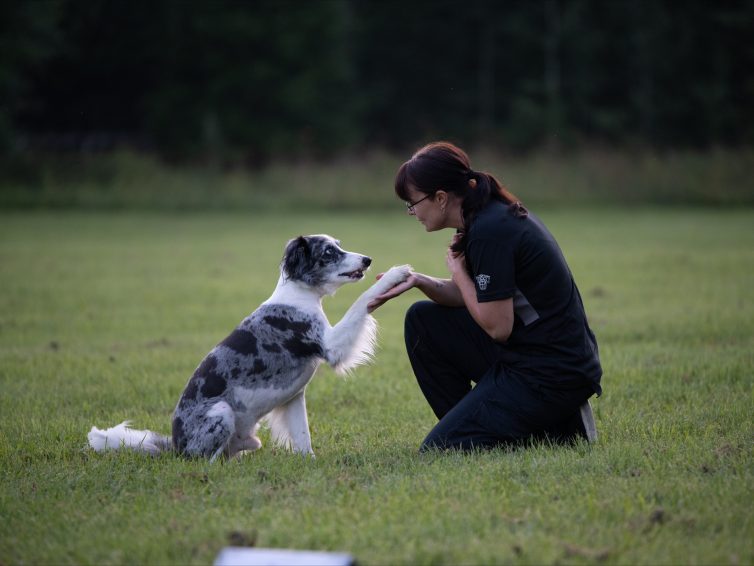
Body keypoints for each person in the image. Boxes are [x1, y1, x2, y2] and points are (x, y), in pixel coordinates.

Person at [368, 141, 602, 451]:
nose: (411, 212)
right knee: (422, 320)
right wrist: (418, 281)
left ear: (440, 198)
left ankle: (550, 423)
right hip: (527, 356)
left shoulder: (490, 231)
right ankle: (496, 421)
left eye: (412, 203)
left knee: (442, 447)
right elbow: (480, 297)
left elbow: (497, 326)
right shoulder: (484, 217)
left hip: (551, 372)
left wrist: (459, 272)